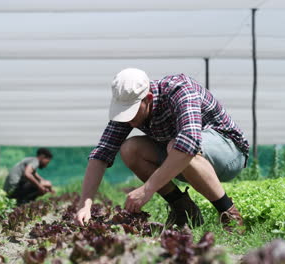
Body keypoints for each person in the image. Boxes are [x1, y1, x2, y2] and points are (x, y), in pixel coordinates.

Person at [75, 68, 249, 233]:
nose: (128, 119)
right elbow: (102, 153)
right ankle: (184, 210)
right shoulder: (130, 108)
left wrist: (147, 189)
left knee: (177, 145)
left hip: (229, 154)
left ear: (148, 99)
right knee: (130, 149)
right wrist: (85, 204)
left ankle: (229, 214)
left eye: (132, 112)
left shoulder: (180, 90)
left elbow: (189, 143)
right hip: (183, 159)